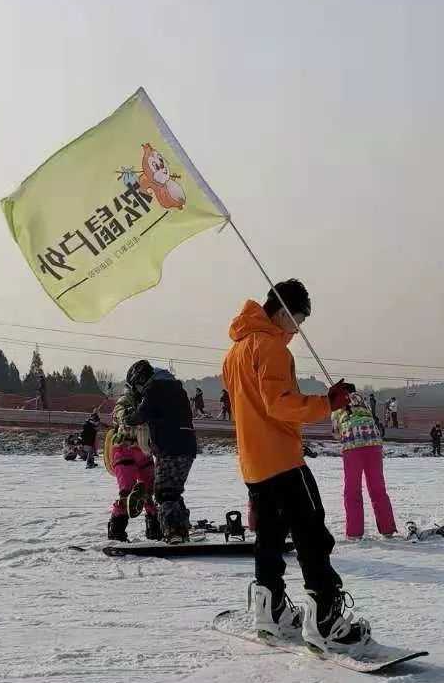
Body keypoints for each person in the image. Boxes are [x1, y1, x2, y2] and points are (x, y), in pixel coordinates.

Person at [221, 278, 371, 652]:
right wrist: (327, 403)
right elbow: (279, 404)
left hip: (253, 462)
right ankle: (326, 619)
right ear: (285, 311)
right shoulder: (271, 347)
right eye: (300, 318)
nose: (300, 328)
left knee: (270, 536)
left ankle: (268, 609)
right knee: (311, 533)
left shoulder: (234, 352)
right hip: (282, 458)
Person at [121, 360, 197, 541]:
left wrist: (127, 419)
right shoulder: (175, 387)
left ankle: (174, 531)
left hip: (170, 446)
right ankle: (180, 527)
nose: (137, 391)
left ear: (141, 379)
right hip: (187, 445)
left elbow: (143, 413)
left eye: (137, 386)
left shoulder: (155, 388)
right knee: (173, 490)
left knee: (164, 492)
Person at [331, 391, 397, 540]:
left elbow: (335, 433)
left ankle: (354, 533)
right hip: (374, 445)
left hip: (352, 447)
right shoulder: (363, 403)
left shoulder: (336, 408)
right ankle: (388, 530)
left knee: (352, 490)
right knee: (377, 488)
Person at [106, 415, 157, 541]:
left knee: (149, 491)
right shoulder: (125, 402)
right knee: (127, 493)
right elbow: (120, 416)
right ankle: (117, 531)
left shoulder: (149, 401)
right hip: (124, 449)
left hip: (144, 451)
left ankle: (155, 528)